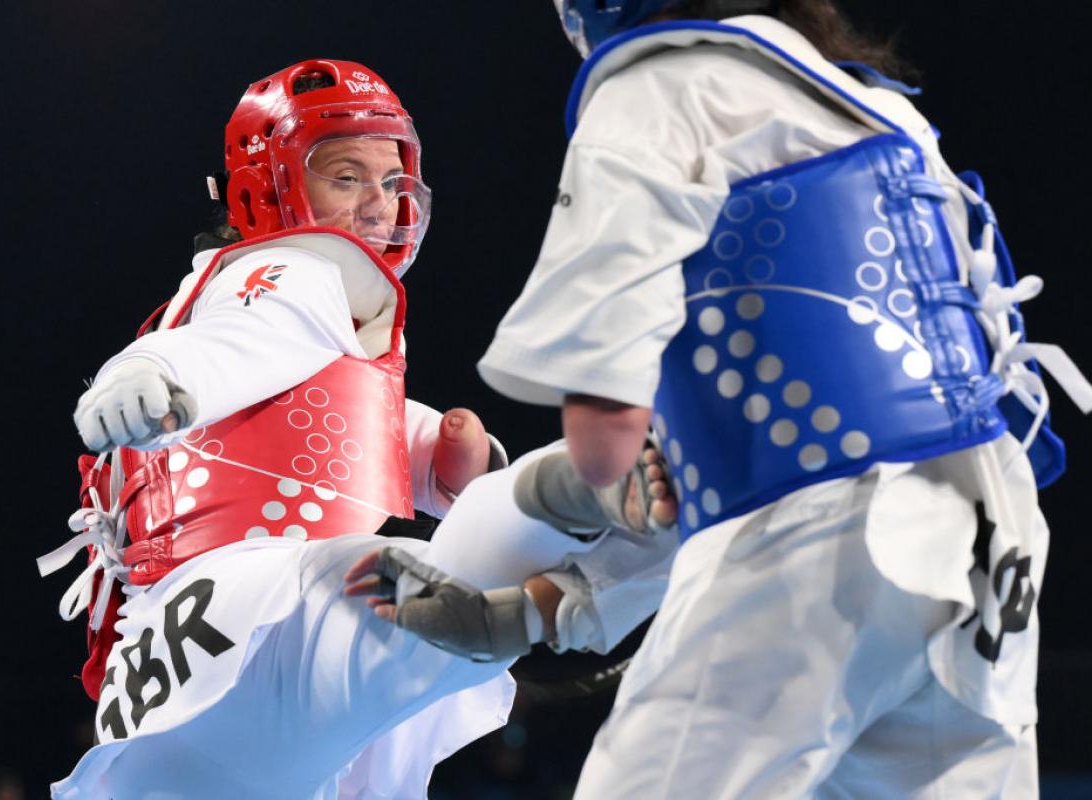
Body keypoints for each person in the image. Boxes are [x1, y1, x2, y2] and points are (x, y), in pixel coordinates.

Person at [464, 1, 1092, 797]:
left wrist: (566, 487)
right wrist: (556, 603)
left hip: (826, 525)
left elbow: (607, 440)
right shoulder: (882, 108)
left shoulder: (657, 84)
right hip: (990, 538)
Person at [39, 58, 677, 799]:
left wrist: (429, 453)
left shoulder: (258, 296)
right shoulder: (293, 272)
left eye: (393, 181)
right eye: (346, 177)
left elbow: (275, 402)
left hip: (207, 675)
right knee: (417, 616)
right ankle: (573, 486)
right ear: (270, 186)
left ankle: (569, 488)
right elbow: (245, 342)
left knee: (424, 620)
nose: (379, 203)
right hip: (246, 624)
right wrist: (152, 375)